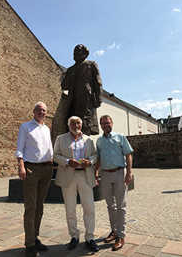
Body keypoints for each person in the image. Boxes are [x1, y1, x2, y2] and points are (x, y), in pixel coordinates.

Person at [53, 116, 99, 252]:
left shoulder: (89, 139)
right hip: (68, 176)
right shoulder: (61, 139)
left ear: (81, 124)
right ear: (69, 125)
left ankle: (90, 237)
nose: (76, 125)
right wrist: (67, 162)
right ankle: (74, 236)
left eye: (78, 123)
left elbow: (95, 155)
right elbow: (55, 155)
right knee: (70, 208)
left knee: (89, 208)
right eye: (73, 123)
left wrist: (89, 161)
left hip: (85, 176)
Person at [15, 102, 53, 257]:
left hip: (47, 169)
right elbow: (19, 148)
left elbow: (48, 148)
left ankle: (35, 237)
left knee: (40, 206)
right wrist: (21, 166)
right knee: (30, 207)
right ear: (34, 111)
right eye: (39, 110)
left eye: (44, 110)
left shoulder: (46, 128)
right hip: (31, 169)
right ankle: (29, 244)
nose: (41, 112)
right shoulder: (25, 127)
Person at [96, 115, 133, 251]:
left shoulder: (120, 137)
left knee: (121, 206)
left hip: (119, 173)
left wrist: (129, 172)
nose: (106, 125)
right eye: (103, 123)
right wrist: (96, 172)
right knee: (110, 205)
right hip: (105, 174)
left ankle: (121, 236)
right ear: (101, 125)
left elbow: (128, 154)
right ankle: (114, 231)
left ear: (112, 123)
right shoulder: (99, 141)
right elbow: (99, 158)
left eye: (108, 122)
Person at [61, 44, 102, 136]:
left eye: (78, 52)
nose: (75, 55)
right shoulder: (70, 70)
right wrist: (66, 76)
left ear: (85, 53)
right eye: (74, 53)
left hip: (86, 99)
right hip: (72, 100)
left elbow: (98, 82)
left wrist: (98, 98)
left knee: (85, 123)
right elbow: (64, 86)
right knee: (72, 123)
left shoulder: (91, 65)